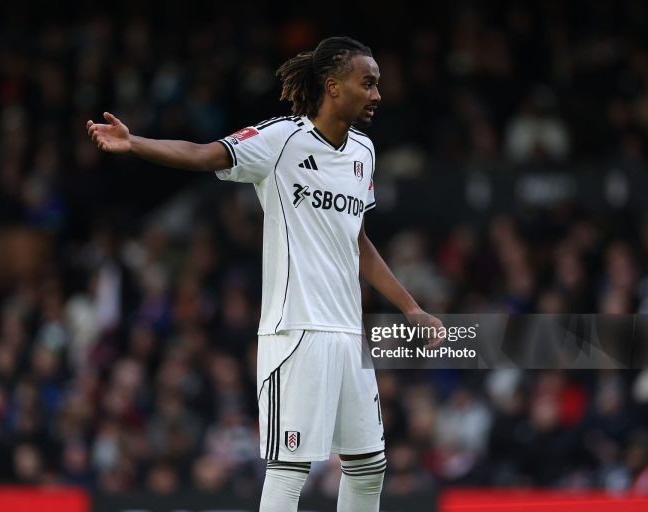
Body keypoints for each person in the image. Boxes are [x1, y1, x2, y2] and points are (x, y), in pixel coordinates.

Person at [87, 36, 443, 512]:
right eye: (368, 83)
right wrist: (134, 143)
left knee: (369, 466)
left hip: (347, 333)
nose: (377, 94)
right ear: (333, 86)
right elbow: (201, 154)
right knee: (290, 470)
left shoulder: (363, 152)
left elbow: (356, 240)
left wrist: (411, 308)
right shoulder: (280, 140)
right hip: (294, 331)